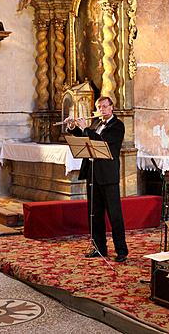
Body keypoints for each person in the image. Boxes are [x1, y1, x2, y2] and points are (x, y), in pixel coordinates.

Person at [65, 96, 128, 262]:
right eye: (100, 107)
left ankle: (121, 250)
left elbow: (101, 142)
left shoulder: (117, 126)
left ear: (112, 107)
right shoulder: (97, 124)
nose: (102, 110)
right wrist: (73, 128)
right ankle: (99, 248)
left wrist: (86, 128)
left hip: (108, 176)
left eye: (105, 107)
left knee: (115, 215)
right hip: (93, 174)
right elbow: (86, 140)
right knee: (94, 214)